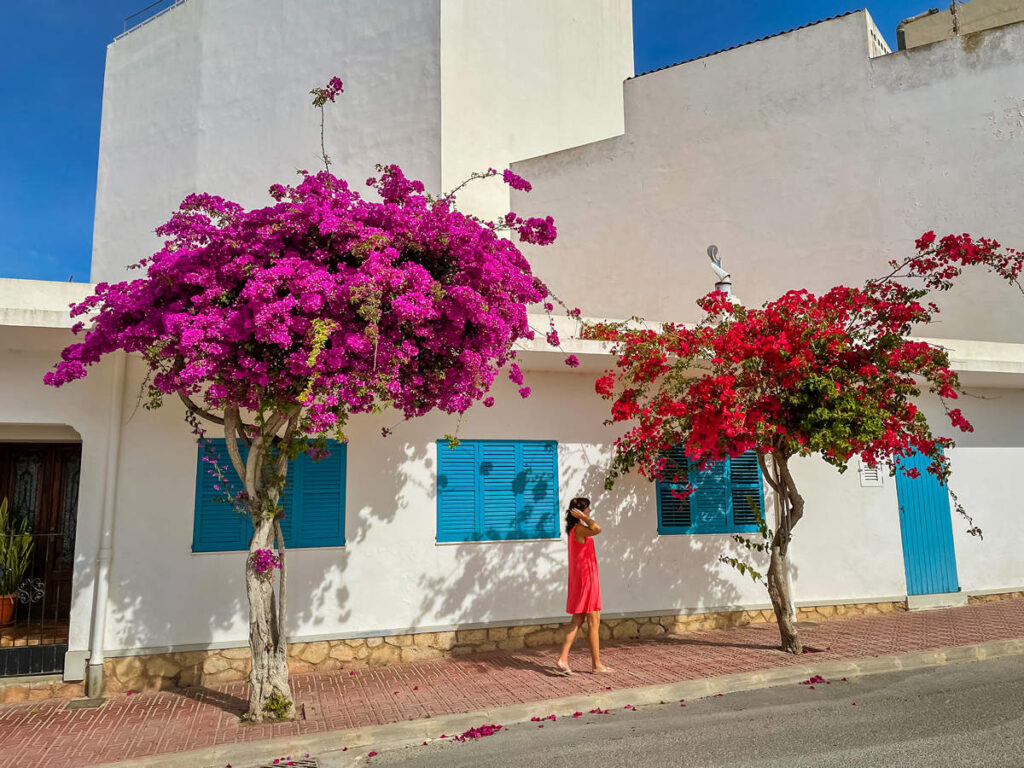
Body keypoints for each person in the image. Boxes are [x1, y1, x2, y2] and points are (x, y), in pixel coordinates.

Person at [555, 497, 614, 675]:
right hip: (587, 579)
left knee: (578, 620)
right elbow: (598, 528)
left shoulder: (574, 530)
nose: (590, 511)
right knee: (594, 621)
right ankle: (597, 665)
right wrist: (585, 518)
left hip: (582, 579)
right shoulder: (580, 528)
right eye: (588, 509)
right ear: (580, 511)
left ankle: (563, 659)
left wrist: (584, 518)